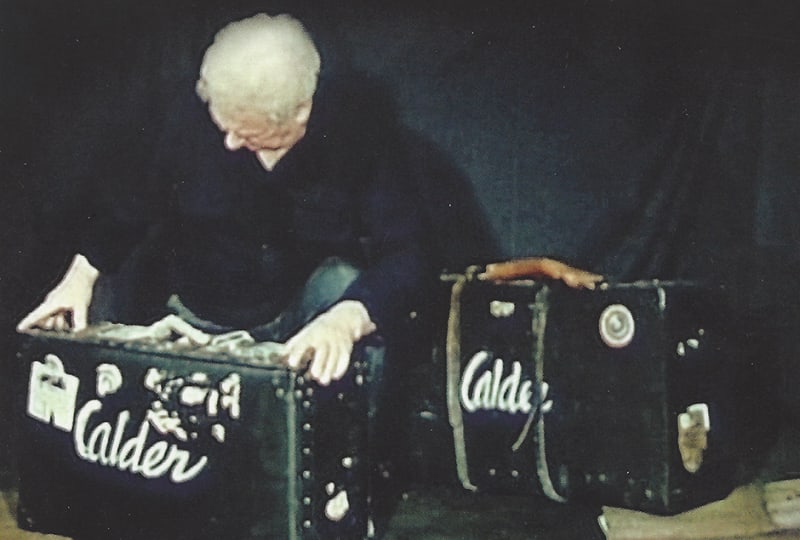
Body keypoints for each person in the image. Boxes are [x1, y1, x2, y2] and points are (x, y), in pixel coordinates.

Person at [17, 12, 434, 387]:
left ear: (301, 111)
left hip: (301, 318)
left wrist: (346, 320)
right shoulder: (183, 117)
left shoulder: (357, 130)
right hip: (194, 317)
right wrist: (76, 280)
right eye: (224, 123)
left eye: (248, 133)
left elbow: (409, 251)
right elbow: (122, 209)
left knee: (349, 285)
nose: (230, 142)